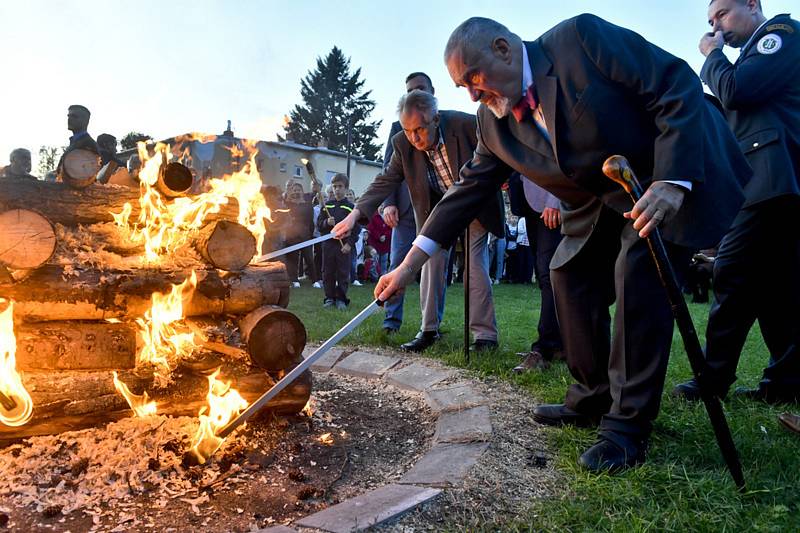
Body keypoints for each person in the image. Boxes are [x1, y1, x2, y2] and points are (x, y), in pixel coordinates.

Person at [372, 15, 750, 473]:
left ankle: (627, 428)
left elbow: (673, 81)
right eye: (462, 86)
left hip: (665, 167)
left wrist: (673, 179)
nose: (471, 94)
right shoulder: (492, 126)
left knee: (638, 272)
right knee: (567, 270)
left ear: (504, 49)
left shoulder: (580, 41)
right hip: (603, 196)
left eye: (474, 77)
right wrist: (408, 266)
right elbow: (464, 193)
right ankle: (591, 397)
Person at [673, 1, 800, 404]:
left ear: (752, 4)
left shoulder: (779, 36)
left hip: (770, 176)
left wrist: (712, 56)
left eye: (723, 14)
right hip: (765, 179)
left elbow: (737, 91)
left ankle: (713, 379)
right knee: (778, 289)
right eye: (711, 21)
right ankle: (786, 383)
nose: (717, 27)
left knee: (731, 273)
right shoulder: (750, 53)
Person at [333, 89, 504, 353]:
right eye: (408, 130)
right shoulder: (403, 144)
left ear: (435, 120)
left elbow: (500, 148)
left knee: (474, 265)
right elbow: (385, 180)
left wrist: (506, 179)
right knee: (430, 262)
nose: (414, 138)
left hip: (474, 204)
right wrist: (356, 214)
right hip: (437, 211)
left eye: (420, 130)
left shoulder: (466, 124)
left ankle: (485, 336)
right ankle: (428, 330)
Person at [381, 72, 438, 334]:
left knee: (434, 265)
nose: (414, 94)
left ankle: (431, 326)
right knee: (397, 262)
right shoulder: (396, 129)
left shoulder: (442, 122)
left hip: (436, 209)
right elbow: (388, 171)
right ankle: (391, 321)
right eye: (409, 90)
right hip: (405, 208)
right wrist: (388, 203)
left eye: (420, 89)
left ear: (432, 91)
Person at [510, 176, 565, 372]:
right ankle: (558, 344)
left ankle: (545, 347)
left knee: (548, 274)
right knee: (544, 276)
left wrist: (555, 199)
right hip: (529, 203)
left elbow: (559, 156)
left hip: (551, 201)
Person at [318, 173, 359, 310]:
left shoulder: (351, 208)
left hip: (343, 247)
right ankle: (329, 297)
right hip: (328, 245)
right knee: (327, 272)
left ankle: (341, 298)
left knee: (342, 272)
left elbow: (356, 229)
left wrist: (349, 244)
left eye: (340, 186)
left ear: (346, 189)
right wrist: (326, 222)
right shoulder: (327, 206)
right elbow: (319, 225)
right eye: (335, 186)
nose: (337, 189)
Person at [282, 180, 319, 288]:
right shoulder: (288, 204)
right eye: (294, 190)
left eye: (298, 190)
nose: (296, 192)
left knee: (309, 258)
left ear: (302, 191)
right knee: (293, 258)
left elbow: (310, 220)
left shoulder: (307, 204)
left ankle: (315, 280)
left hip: (305, 235)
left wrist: (310, 234)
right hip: (292, 235)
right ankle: (294, 279)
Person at [366, 209, 391, 280]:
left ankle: (383, 277)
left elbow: (391, 228)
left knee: (384, 261)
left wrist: (385, 235)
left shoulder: (388, 215)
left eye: (383, 206)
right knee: (375, 261)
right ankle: (374, 277)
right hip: (375, 243)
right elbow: (371, 228)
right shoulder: (373, 216)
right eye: (381, 206)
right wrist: (379, 236)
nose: (382, 208)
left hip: (385, 243)